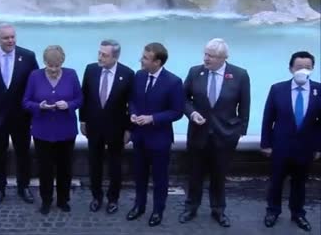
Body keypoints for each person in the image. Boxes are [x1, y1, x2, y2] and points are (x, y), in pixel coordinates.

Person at [179, 38, 250, 227]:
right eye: (205, 54)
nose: (206, 59)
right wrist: (192, 113)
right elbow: (183, 98)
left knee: (219, 175)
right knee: (194, 174)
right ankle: (190, 207)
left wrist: (239, 131)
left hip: (225, 135)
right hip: (198, 133)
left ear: (223, 58)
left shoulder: (240, 75)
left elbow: (245, 105)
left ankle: (218, 210)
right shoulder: (195, 72)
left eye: (211, 56)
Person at [0, 23, 39, 205]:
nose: (10, 40)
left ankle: (24, 186)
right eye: (6, 38)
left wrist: (34, 110)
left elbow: (35, 84)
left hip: (22, 115)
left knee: (23, 153)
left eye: (13, 37)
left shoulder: (27, 56)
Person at [261, 51, 321, 232]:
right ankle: (273, 211)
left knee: (300, 183)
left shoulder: (320, 90)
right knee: (276, 181)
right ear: (290, 68)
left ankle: (298, 214)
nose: (303, 70)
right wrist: (266, 143)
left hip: (305, 147)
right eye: (299, 67)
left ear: (313, 69)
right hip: (281, 146)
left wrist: (319, 146)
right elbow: (268, 118)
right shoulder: (277, 89)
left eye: (307, 67)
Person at [126, 42, 184, 227]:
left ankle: (158, 210)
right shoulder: (139, 75)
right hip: (140, 136)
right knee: (139, 175)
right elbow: (133, 100)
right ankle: (139, 206)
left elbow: (177, 111)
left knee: (160, 178)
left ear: (157, 62)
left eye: (145, 58)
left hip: (159, 139)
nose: (141, 60)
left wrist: (152, 118)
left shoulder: (173, 82)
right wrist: (133, 113)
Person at [23, 45, 82, 215]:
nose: (54, 70)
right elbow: (25, 102)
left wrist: (68, 105)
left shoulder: (71, 74)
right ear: (44, 63)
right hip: (43, 132)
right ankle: (46, 201)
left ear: (62, 62)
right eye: (51, 66)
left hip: (66, 131)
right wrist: (38, 106)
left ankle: (63, 200)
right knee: (45, 169)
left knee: (65, 168)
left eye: (57, 66)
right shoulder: (35, 76)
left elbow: (80, 99)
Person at [79, 39, 134, 214]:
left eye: (104, 55)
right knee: (94, 164)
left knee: (115, 165)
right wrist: (83, 120)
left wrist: (128, 129)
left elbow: (130, 104)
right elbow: (84, 96)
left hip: (116, 128)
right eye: (99, 53)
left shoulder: (127, 74)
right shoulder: (91, 69)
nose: (100, 57)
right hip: (94, 126)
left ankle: (113, 198)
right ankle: (96, 196)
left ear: (115, 57)